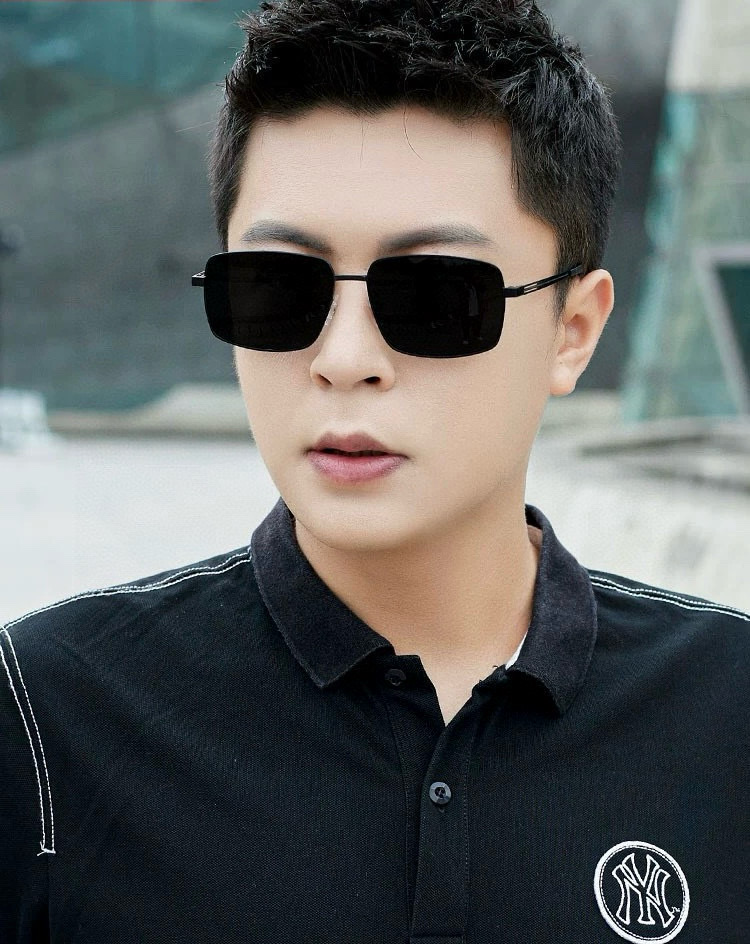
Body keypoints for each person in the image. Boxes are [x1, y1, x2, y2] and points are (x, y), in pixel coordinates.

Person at [2, 0, 748, 940]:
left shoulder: (728, 709)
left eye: (434, 295)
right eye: (279, 287)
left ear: (573, 330)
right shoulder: (46, 718)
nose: (344, 357)